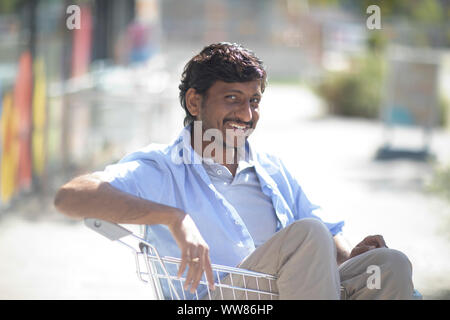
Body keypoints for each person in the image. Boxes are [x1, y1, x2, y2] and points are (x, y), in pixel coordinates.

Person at [54, 42, 415, 300]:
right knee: (307, 234)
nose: (246, 114)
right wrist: (174, 218)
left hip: (293, 291)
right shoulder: (163, 168)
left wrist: (352, 258)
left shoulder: (272, 168)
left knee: (389, 264)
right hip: (223, 303)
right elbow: (70, 197)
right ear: (195, 101)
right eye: (232, 98)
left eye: (253, 100)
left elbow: (325, 239)